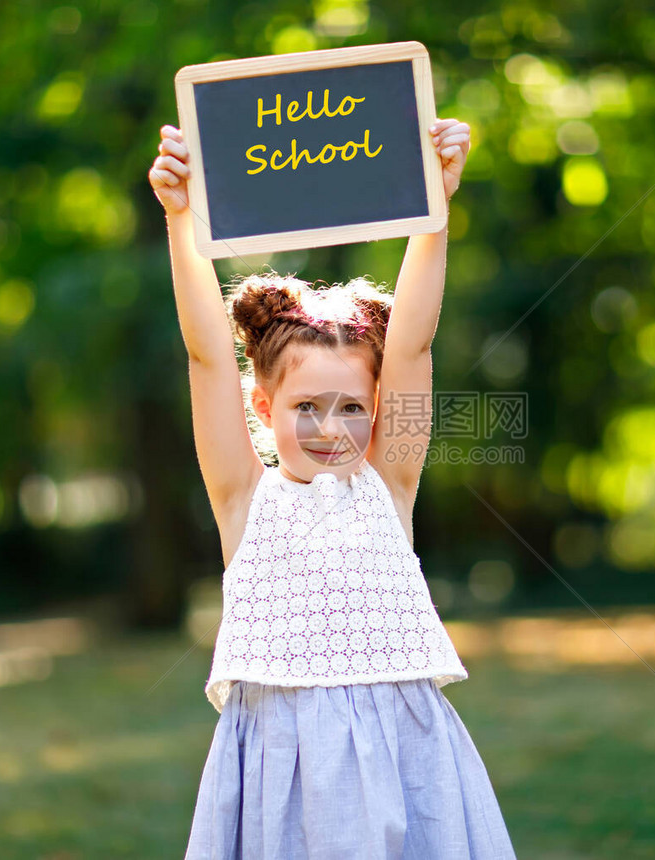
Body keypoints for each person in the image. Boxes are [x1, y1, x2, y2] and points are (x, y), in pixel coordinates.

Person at [149, 114, 516, 859]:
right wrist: (181, 219)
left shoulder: (391, 481)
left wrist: (434, 214)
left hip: (405, 752)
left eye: (352, 406)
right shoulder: (243, 498)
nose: (330, 427)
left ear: (378, 410)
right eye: (305, 407)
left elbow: (411, 341)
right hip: (281, 766)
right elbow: (206, 358)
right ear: (264, 407)